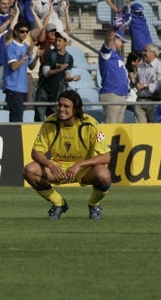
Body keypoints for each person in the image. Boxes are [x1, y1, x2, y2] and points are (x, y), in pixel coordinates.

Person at [23, 89, 112, 220]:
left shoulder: (90, 124)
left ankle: (94, 204)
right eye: (59, 105)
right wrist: (50, 165)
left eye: (66, 106)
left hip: (83, 170)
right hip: (58, 169)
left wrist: (79, 164)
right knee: (29, 170)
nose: (61, 109)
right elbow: (36, 152)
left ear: (75, 109)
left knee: (103, 175)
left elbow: (106, 156)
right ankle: (59, 203)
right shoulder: (50, 122)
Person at [34, 29, 80, 121]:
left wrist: (72, 79)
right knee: (39, 115)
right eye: (56, 40)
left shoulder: (69, 58)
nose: (57, 43)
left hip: (57, 91)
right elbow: (46, 73)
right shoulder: (50, 54)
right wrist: (60, 69)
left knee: (54, 117)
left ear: (65, 43)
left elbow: (66, 77)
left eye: (60, 41)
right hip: (44, 88)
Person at [3, 18, 35, 122]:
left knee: (19, 117)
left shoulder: (26, 46)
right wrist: (26, 56)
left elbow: (31, 66)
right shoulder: (10, 47)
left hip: (23, 88)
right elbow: (13, 66)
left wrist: (37, 56)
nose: (24, 34)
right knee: (16, 118)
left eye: (26, 31)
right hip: (13, 87)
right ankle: (13, 138)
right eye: (22, 31)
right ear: (16, 32)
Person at [98, 28, 129, 123]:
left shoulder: (117, 55)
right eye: (121, 41)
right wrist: (115, 26)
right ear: (116, 39)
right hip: (112, 94)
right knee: (111, 127)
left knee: (118, 130)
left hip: (122, 95)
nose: (122, 44)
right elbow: (108, 39)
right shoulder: (107, 53)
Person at [134, 43, 161, 123]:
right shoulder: (140, 66)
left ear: (153, 53)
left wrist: (145, 86)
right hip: (140, 101)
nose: (143, 53)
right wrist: (135, 82)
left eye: (146, 51)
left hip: (153, 101)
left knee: (153, 128)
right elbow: (136, 81)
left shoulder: (160, 67)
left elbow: (160, 85)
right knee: (139, 128)